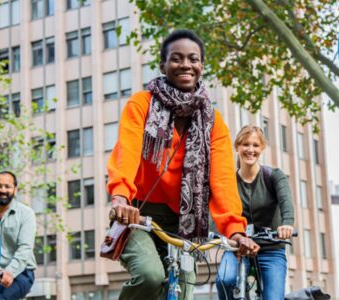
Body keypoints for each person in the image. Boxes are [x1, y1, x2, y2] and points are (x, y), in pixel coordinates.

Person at [106, 29, 260, 299]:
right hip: (139, 214)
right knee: (150, 275)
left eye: (193, 59)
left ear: (201, 66)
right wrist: (120, 197)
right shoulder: (141, 104)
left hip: (183, 223)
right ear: (163, 65)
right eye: (176, 59)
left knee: (186, 288)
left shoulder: (213, 121)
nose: (186, 65)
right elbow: (126, 151)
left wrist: (235, 230)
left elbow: (222, 179)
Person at [216, 124, 295, 300]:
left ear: (262, 148)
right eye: (245, 144)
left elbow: (286, 204)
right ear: (237, 147)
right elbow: (220, 209)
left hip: (271, 248)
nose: (250, 150)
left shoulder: (274, 176)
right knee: (224, 280)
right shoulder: (229, 181)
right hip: (238, 247)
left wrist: (287, 224)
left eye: (255, 145)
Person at [0, 171, 36, 300]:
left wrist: (10, 272)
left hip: (21, 273)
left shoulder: (26, 214)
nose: (3, 190)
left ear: (15, 189)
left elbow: (25, 248)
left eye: (7, 186)